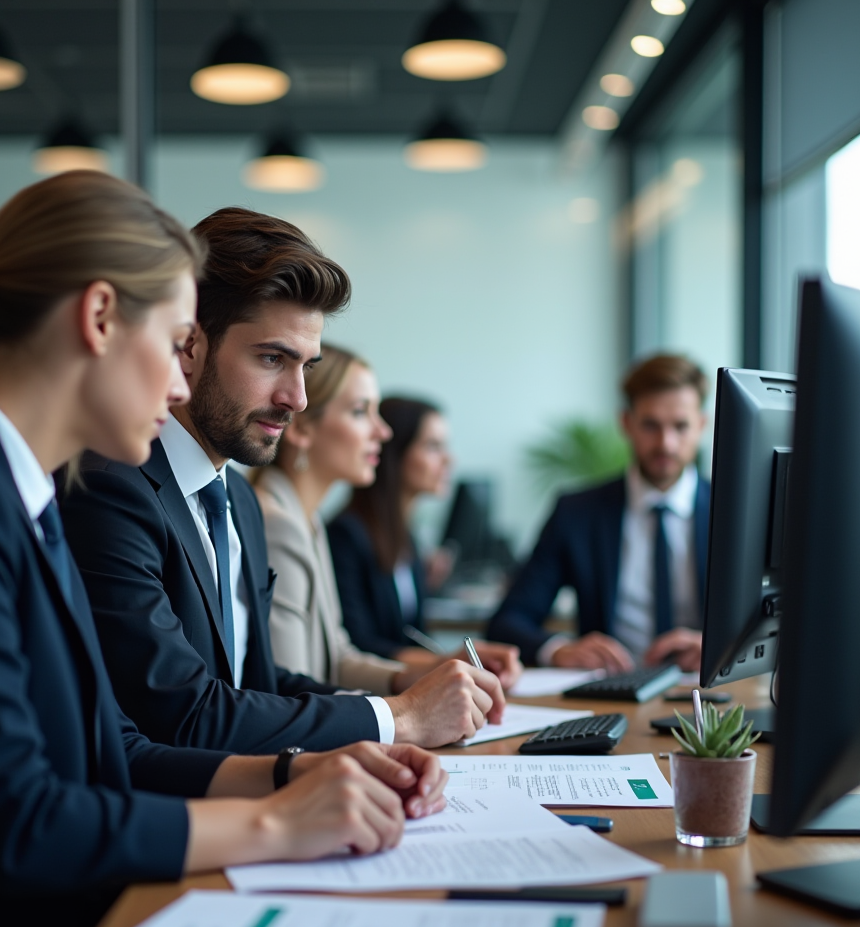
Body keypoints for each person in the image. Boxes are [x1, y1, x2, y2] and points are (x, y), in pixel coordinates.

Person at [0, 173, 447, 927]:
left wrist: (302, 771)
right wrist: (279, 827)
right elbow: (17, 823)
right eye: (177, 341)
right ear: (100, 319)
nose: (181, 387)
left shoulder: (13, 483)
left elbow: (122, 749)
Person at [60, 206, 506, 753]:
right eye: (272, 358)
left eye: (306, 367)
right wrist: (399, 719)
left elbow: (260, 684)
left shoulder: (238, 501)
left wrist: (407, 702)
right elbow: (182, 716)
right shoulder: (112, 489)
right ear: (190, 346)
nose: (296, 398)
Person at [253, 351, 521, 697]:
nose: (382, 431)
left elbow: (338, 658)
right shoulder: (278, 525)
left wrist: (430, 673)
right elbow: (289, 690)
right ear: (301, 427)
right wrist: (408, 713)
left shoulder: (308, 521)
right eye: (360, 411)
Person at [487, 354, 711, 673]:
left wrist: (721, 649)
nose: (666, 443)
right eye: (651, 425)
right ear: (626, 423)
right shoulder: (577, 512)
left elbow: (777, 621)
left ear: (702, 425)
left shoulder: (735, 515)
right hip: (609, 693)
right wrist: (558, 650)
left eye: (681, 426)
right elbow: (508, 621)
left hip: (707, 690)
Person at [329, 396, 463, 663]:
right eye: (433, 446)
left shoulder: (406, 537)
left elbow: (413, 633)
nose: (449, 460)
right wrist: (445, 662)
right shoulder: (346, 535)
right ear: (394, 453)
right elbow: (358, 644)